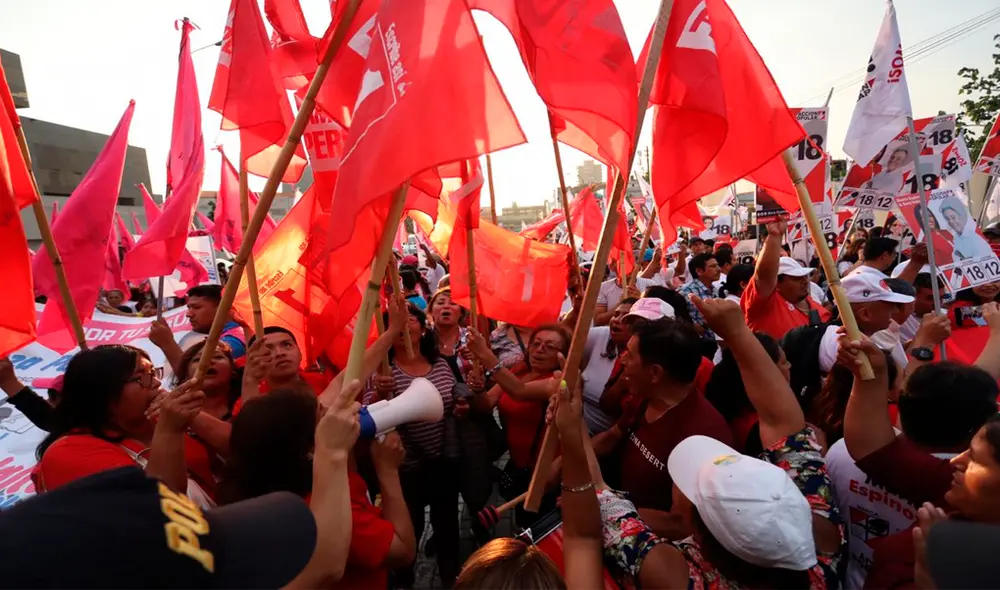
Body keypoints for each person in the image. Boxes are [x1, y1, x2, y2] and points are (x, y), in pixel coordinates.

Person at [600, 296, 843, 589]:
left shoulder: (686, 580)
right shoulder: (823, 551)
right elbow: (783, 422)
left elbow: (607, 513)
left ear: (704, 540)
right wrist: (738, 333)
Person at [837, 326, 1000, 589]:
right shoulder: (950, 483)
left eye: (977, 460)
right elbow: (873, 450)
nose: (956, 461)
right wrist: (872, 375)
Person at [600, 316, 735, 539]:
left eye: (630, 355)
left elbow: (680, 523)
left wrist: (603, 509)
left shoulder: (704, 436)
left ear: (655, 373)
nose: (622, 360)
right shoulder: (646, 397)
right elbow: (610, 438)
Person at [366, 302, 464, 587]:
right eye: (395, 323)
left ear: (422, 329)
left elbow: (449, 406)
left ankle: (451, 577)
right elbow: (370, 418)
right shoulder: (383, 371)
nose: (404, 326)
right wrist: (378, 397)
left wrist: (459, 409)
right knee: (409, 525)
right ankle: (404, 579)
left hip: (442, 461)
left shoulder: (441, 364)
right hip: (404, 467)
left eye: (410, 320)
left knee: (446, 525)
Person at [33, 345, 208, 503]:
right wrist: (169, 430)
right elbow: (160, 506)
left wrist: (187, 413)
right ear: (102, 393)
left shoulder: (155, 422)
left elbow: (229, 453)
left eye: (153, 374)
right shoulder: (67, 452)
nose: (156, 383)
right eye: (141, 378)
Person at [466, 324, 571, 526]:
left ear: (562, 355)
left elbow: (519, 391)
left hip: (546, 472)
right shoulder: (519, 370)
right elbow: (487, 403)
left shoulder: (559, 382)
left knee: (540, 531)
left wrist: (485, 354)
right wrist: (478, 390)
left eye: (550, 346)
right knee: (521, 525)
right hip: (519, 465)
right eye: (536, 344)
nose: (540, 350)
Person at [742, 218, 830, 341]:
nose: (805, 281)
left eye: (804, 276)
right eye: (796, 278)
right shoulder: (763, 304)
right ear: (776, 283)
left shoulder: (813, 305)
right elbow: (764, 275)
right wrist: (774, 236)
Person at [149, 284, 247, 374]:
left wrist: (167, 343)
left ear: (223, 307)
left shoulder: (235, 340)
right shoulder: (220, 337)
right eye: (189, 308)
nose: (188, 314)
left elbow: (197, 376)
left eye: (196, 307)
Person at [580, 298, 636, 435]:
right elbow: (568, 340)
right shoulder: (601, 335)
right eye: (616, 314)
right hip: (578, 427)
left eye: (627, 318)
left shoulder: (645, 360)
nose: (617, 320)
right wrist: (577, 311)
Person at [677, 253, 722, 339]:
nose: (719, 269)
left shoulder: (714, 289)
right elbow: (680, 321)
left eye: (717, 265)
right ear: (699, 271)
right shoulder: (685, 291)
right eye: (713, 266)